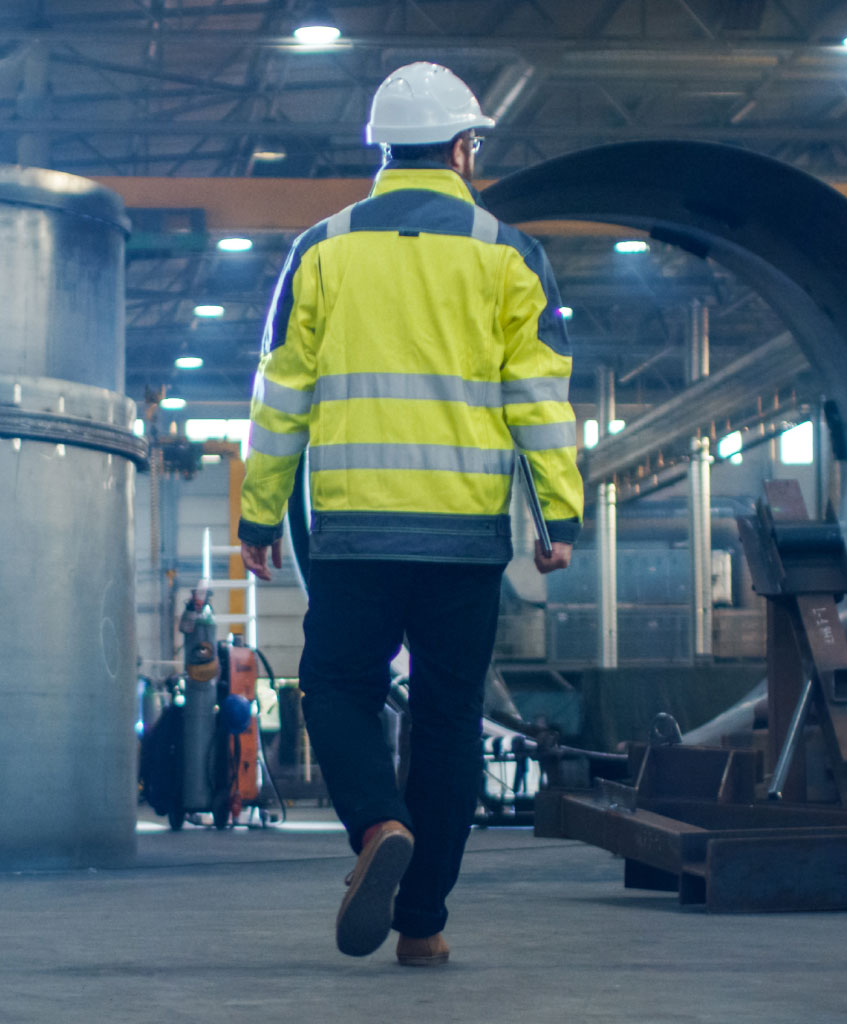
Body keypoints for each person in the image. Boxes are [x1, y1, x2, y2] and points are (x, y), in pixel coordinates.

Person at [235, 61, 583, 966]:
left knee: (340, 690)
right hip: (465, 539)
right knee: (446, 718)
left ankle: (376, 826)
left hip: (351, 532)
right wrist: (559, 519)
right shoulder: (509, 252)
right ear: (463, 148)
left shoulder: (322, 248)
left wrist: (260, 519)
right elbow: (539, 400)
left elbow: (280, 401)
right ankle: (422, 924)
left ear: (383, 150)